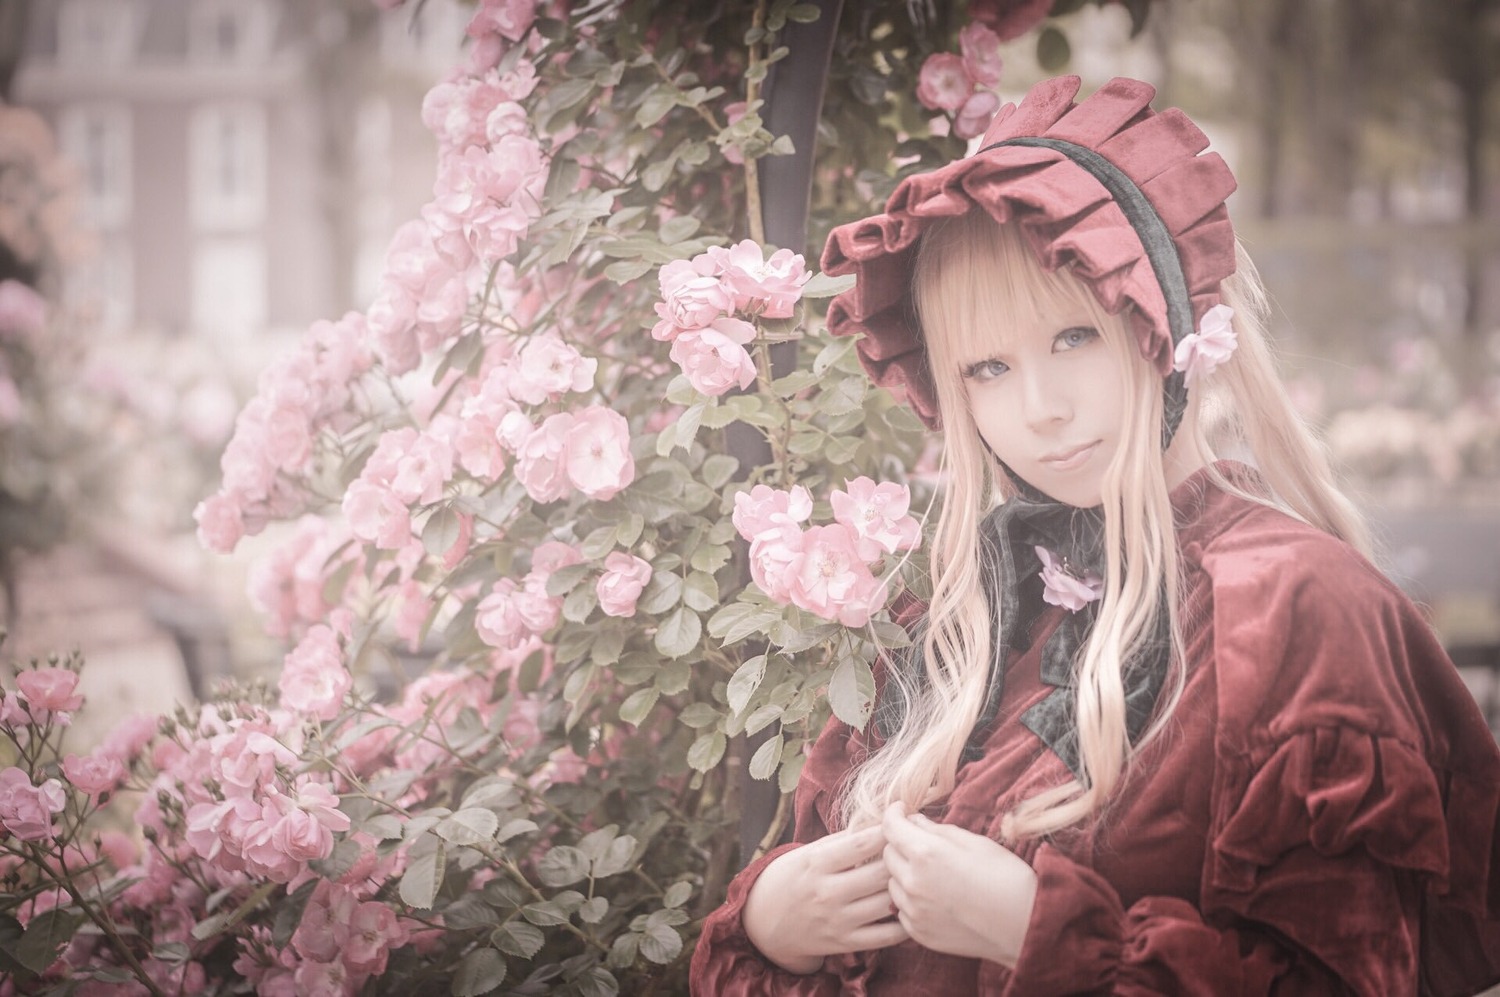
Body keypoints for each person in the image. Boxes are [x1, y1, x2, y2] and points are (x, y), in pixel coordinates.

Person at [689, 75, 1500, 994]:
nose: (1040, 409)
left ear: (1167, 320)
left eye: (1073, 336)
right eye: (989, 367)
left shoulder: (1293, 610)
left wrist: (1038, 930)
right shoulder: (948, 616)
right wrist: (771, 921)